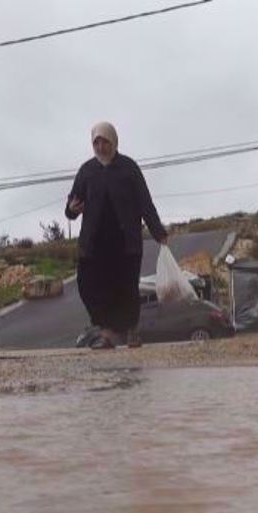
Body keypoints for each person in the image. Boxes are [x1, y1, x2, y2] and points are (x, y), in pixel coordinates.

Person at [65, 122, 168, 349]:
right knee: (90, 286)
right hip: (94, 244)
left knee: (126, 287)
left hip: (125, 242)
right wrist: (71, 209)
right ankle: (106, 333)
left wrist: (157, 231)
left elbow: (145, 202)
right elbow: (71, 207)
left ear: (114, 142)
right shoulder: (86, 171)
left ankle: (131, 331)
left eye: (105, 142)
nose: (101, 147)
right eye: (96, 142)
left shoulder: (128, 168)